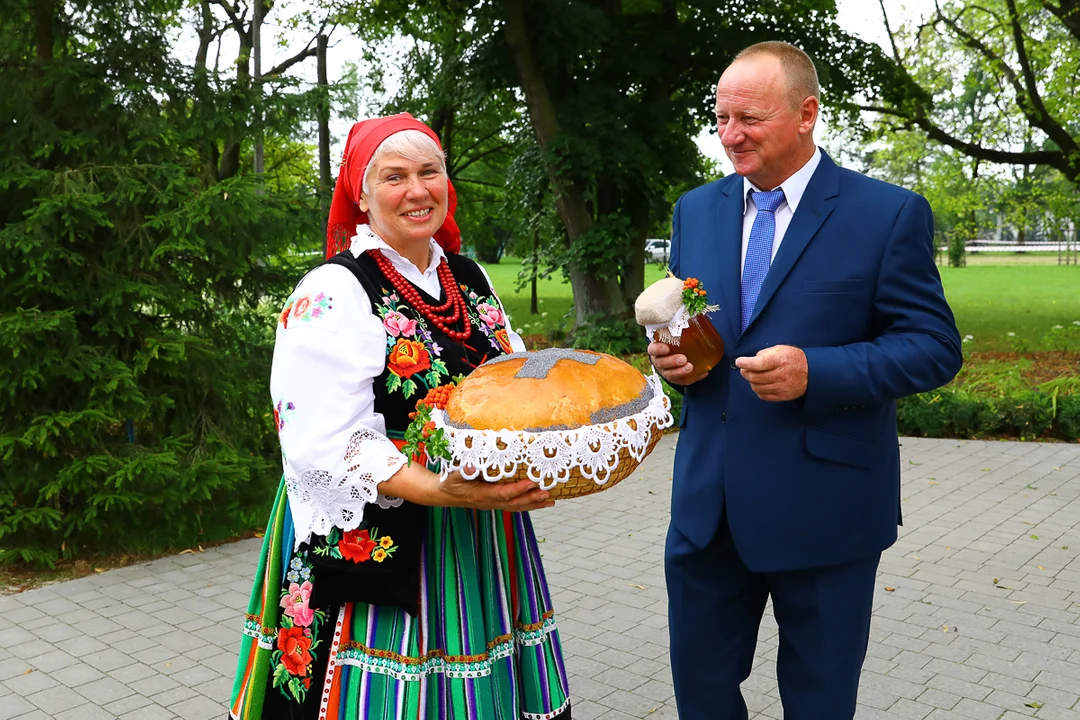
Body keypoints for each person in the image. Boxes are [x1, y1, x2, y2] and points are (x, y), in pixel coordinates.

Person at [647, 42, 962, 719]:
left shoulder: (887, 214)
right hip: (708, 512)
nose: (730, 134)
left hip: (827, 512)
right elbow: (694, 326)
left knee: (819, 703)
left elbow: (934, 347)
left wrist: (818, 371)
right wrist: (675, 361)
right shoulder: (695, 210)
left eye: (749, 118)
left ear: (806, 113)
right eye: (721, 116)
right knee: (700, 696)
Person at [228, 113, 572, 720]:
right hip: (379, 527)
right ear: (360, 193)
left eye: (429, 172)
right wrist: (441, 488)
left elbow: (511, 382)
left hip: (477, 520)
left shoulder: (466, 277)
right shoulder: (332, 291)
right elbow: (321, 438)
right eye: (394, 176)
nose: (417, 190)